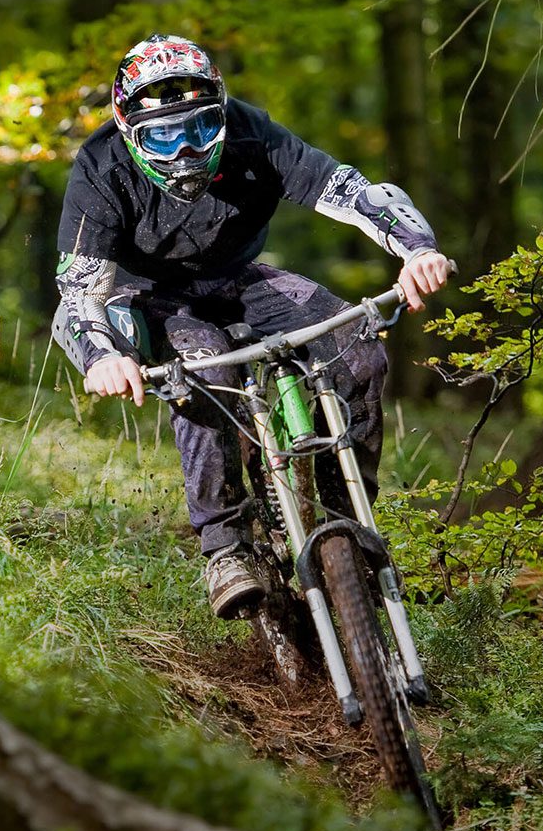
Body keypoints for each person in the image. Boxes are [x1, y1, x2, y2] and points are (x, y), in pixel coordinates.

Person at [52, 33, 449, 619]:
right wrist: (103, 355)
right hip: (150, 296)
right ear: (127, 128)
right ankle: (226, 548)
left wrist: (416, 249)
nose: (185, 150)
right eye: (163, 134)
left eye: (198, 128)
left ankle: (348, 514)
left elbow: (348, 190)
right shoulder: (101, 165)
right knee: (204, 374)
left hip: (237, 278)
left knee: (358, 347)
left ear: (221, 110)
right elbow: (80, 284)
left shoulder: (250, 131)